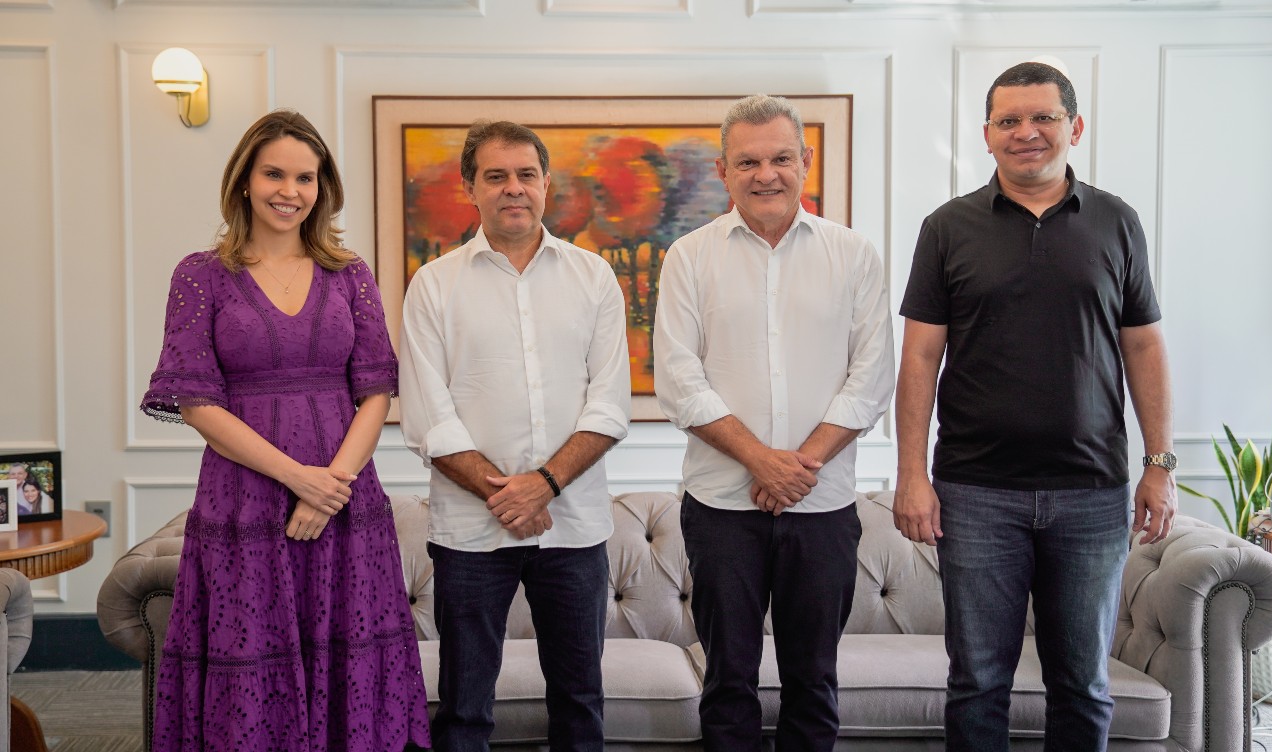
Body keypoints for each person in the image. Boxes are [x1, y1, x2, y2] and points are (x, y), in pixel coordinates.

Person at [893, 62, 1177, 751]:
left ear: (1074, 127)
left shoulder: (1117, 222)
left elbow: (1143, 347)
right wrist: (912, 476)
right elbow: (921, 358)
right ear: (987, 136)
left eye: (1043, 117)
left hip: (1092, 494)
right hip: (976, 491)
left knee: (1081, 686)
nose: (1027, 132)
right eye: (1009, 120)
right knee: (978, 682)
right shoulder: (947, 227)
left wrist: (1160, 464)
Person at [140, 109, 431, 752]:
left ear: (322, 188)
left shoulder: (349, 272)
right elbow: (195, 401)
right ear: (244, 178)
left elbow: (377, 389)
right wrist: (299, 479)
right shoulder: (200, 274)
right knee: (251, 659)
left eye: (306, 177)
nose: (289, 191)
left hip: (346, 503)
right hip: (244, 502)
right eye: (274, 173)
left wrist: (332, 488)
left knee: (347, 657)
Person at [652, 94, 895, 751]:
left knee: (813, 683)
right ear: (725, 172)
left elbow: (871, 376)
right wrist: (762, 461)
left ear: (805, 163)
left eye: (781, 158)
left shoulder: (855, 256)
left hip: (824, 509)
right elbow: (679, 380)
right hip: (721, 506)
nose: (767, 174)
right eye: (749, 162)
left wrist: (798, 468)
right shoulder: (689, 258)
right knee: (727, 681)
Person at [399, 120, 630, 751]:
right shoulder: (433, 285)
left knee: (580, 703)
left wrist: (544, 486)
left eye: (526, 175)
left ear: (546, 184)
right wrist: (509, 495)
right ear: (469, 188)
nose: (513, 189)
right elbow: (427, 417)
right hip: (470, 534)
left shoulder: (593, 278)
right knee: (466, 709)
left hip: (574, 526)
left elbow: (608, 406)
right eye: (495, 176)